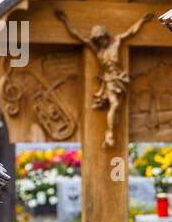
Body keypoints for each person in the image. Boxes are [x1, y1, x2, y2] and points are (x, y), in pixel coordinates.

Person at [54, 9, 156, 148]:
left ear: (106, 36)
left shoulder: (116, 42)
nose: (101, 41)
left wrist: (142, 21)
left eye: (102, 38)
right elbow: (78, 36)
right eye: (98, 40)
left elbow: (131, 32)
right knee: (114, 105)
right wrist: (66, 21)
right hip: (108, 80)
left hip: (119, 78)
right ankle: (110, 134)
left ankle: (111, 133)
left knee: (117, 108)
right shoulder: (98, 51)